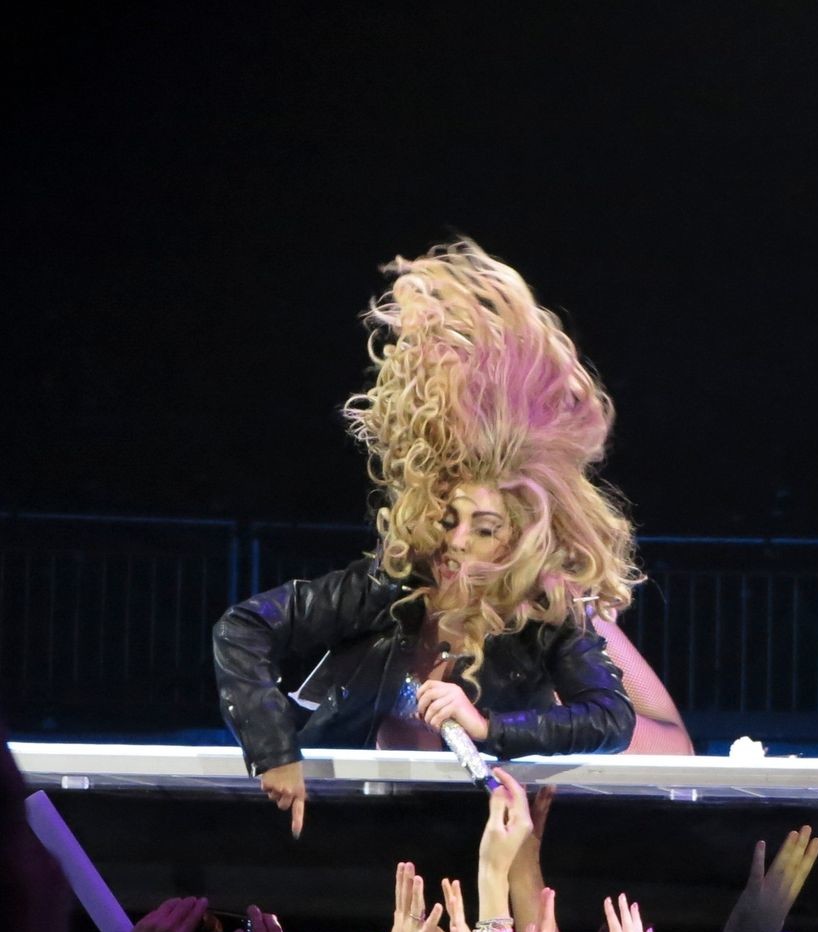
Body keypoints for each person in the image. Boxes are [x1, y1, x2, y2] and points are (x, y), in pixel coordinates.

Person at [214, 241, 653, 834]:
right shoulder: (391, 587)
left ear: (517, 541)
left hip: (482, 832)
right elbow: (243, 627)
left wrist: (488, 727)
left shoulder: (544, 616)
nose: (458, 541)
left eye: (485, 529)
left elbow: (611, 720)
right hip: (357, 828)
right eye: (450, 520)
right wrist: (275, 750)